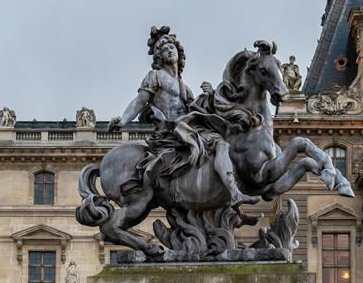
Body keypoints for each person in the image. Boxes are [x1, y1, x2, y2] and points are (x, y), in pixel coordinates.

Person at [109, 26, 257, 207]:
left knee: (224, 140)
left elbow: (196, 111)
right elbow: (139, 102)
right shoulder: (155, 76)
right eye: (164, 49)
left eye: (171, 47)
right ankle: (234, 192)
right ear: (159, 57)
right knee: (220, 143)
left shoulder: (184, 86)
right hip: (172, 130)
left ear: (179, 53)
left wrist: (210, 95)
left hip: (187, 127)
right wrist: (123, 121)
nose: (169, 51)